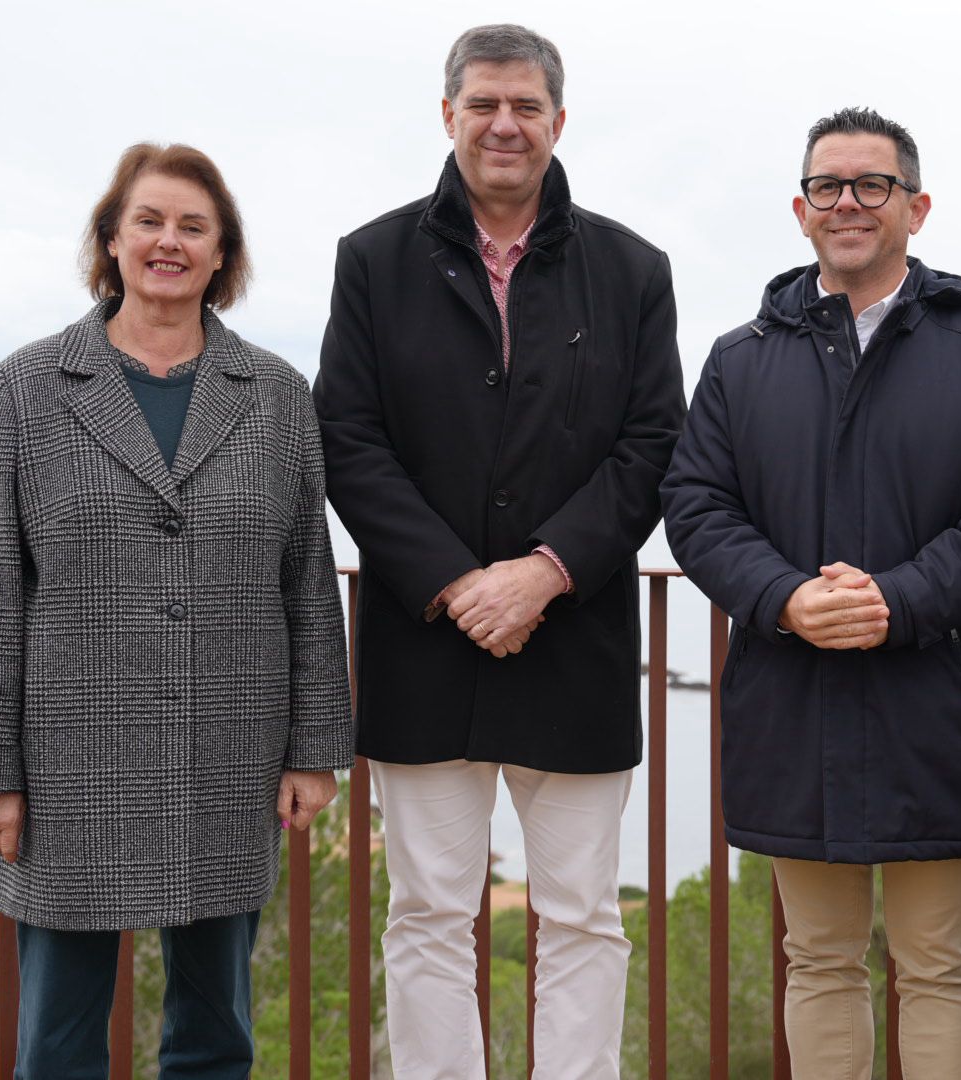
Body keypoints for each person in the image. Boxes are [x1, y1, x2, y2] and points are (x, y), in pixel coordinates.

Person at [312, 23, 685, 1080]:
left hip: (576, 640)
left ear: (558, 122)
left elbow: (654, 442)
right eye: (483, 105)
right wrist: (457, 583)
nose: (505, 124)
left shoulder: (634, 269)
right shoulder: (371, 260)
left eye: (525, 106)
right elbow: (348, 438)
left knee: (580, 917)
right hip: (423, 642)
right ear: (449, 116)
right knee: (427, 912)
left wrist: (545, 571)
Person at [0, 142, 350, 1078]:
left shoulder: (277, 395)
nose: (170, 241)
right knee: (60, 1038)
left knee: (216, 1035)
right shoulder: (27, 386)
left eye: (193, 227)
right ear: (111, 241)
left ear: (221, 254)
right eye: (150, 221)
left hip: (229, 759)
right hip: (64, 767)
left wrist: (314, 750)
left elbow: (307, 582)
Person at [660, 107, 961, 1080]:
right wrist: (789, 599)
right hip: (791, 699)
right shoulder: (740, 358)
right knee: (818, 958)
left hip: (941, 698)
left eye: (872, 185)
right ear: (800, 211)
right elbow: (697, 507)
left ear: (916, 208)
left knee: (938, 960)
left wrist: (899, 599)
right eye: (828, 186)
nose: (849, 202)